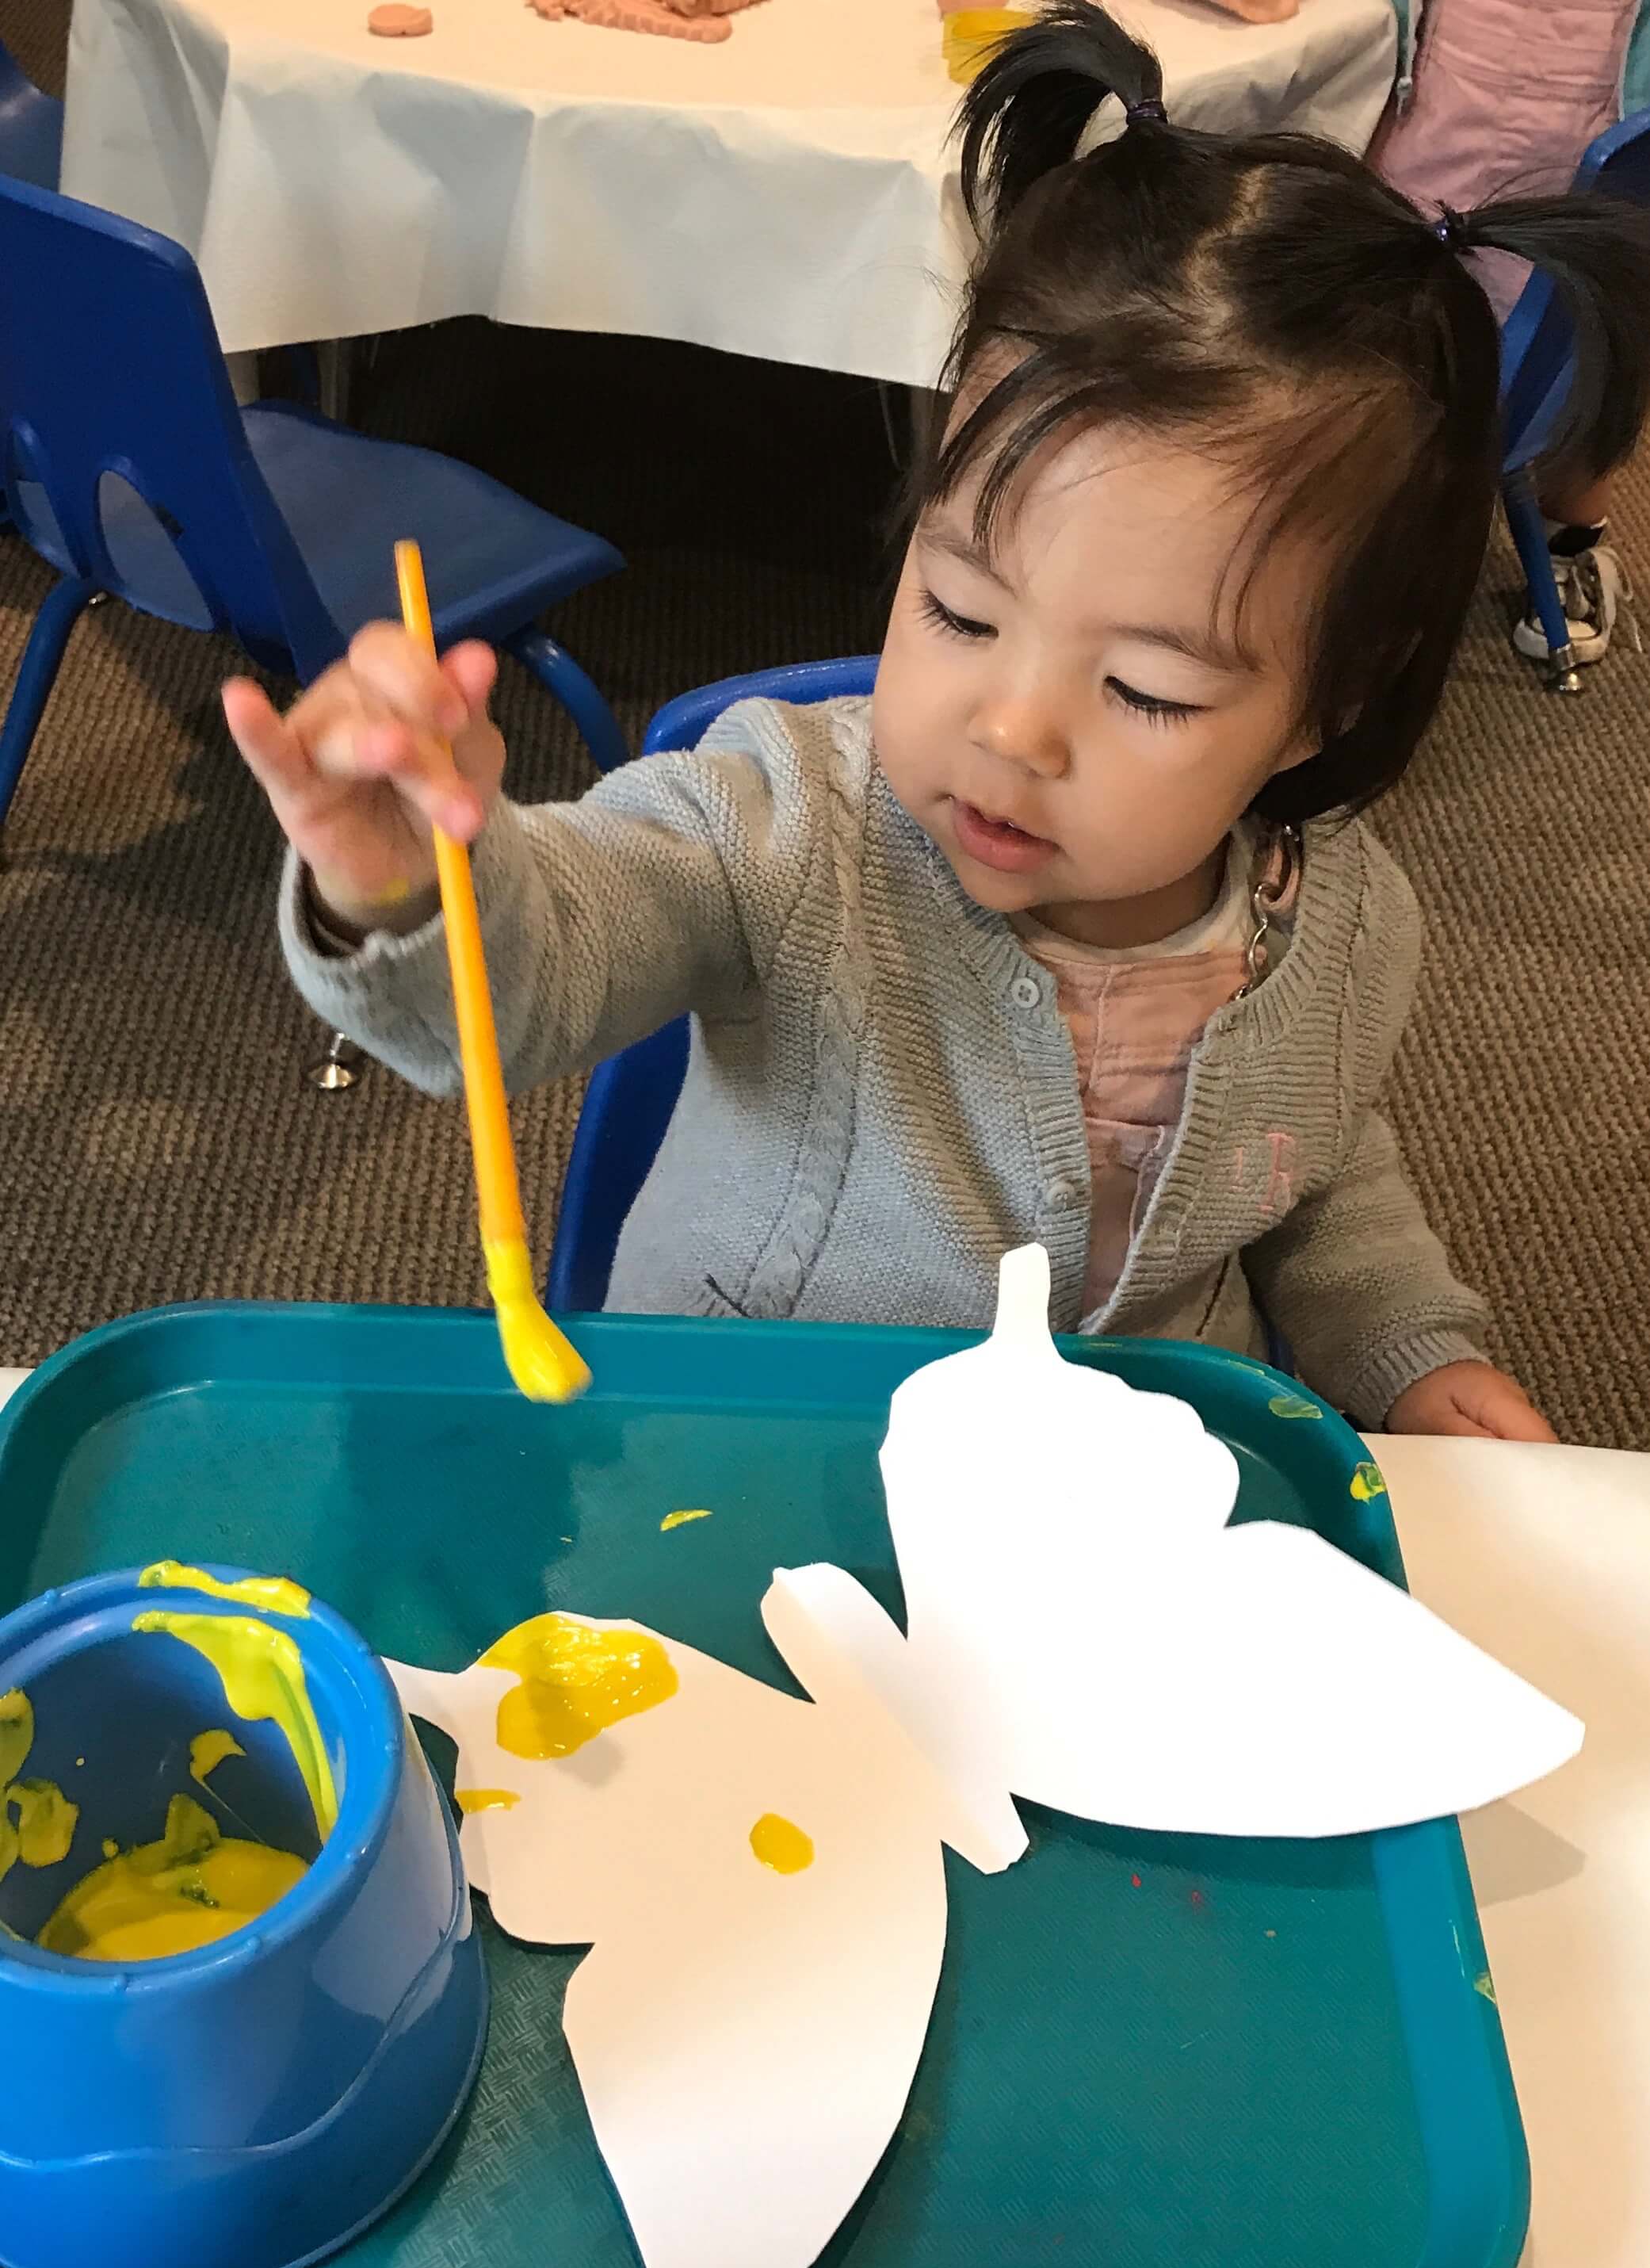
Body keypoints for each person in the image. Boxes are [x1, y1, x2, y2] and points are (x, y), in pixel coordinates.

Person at [223, 2, 1650, 1439]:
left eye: (1145, 688)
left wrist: (1411, 1349)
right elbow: (540, 969)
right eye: (962, 611)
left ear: (1320, 707)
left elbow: (1316, 1173)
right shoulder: (781, 829)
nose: (1011, 727)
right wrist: (411, 882)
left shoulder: (1345, 925)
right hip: (750, 1456)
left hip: (1114, 1492)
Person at [1371, 0, 1647, 664]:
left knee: (1585, 347)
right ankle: (1390, 537)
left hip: (1588, 182)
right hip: (1434, 144)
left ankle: (1565, 540)